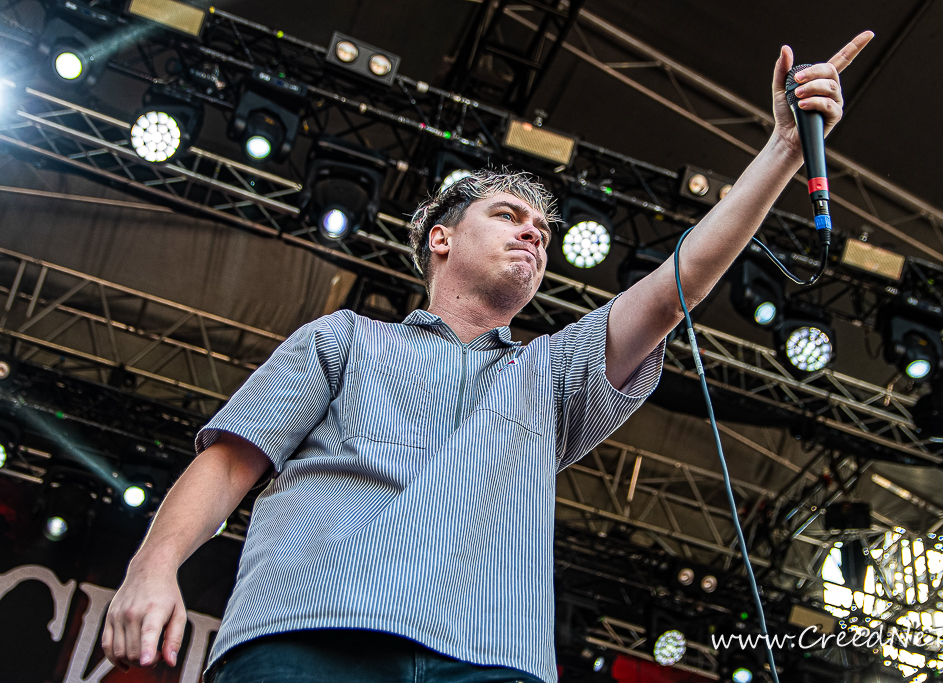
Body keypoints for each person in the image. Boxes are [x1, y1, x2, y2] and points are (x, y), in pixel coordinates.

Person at [102, 33, 873, 683]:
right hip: (308, 629)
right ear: (440, 237)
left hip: (493, 655)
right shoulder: (342, 338)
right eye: (508, 214)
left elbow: (680, 285)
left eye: (542, 229)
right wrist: (152, 566)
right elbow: (230, 462)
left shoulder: (550, 371)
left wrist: (782, 149)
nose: (533, 232)